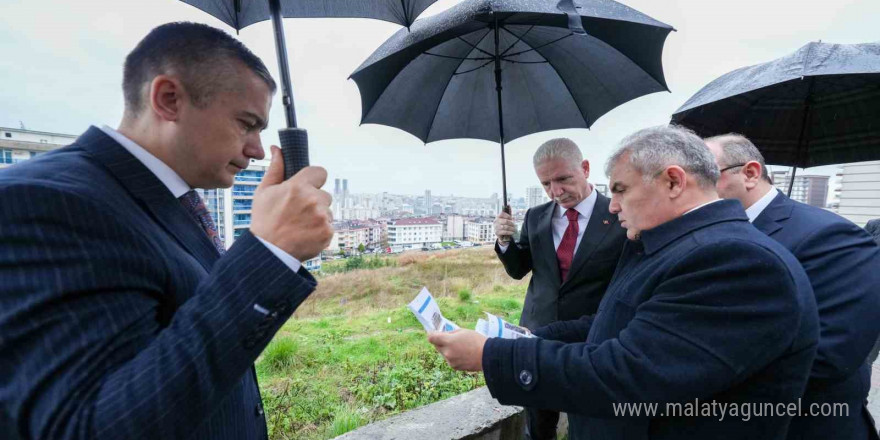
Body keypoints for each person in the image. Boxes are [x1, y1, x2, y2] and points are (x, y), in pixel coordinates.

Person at [0, 22, 333, 439]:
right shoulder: (42, 202)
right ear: (169, 99)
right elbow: (86, 427)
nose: (255, 150)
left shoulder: (167, 199)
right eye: (247, 123)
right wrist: (269, 252)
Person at [430, 125, 819, 440]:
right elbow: (614, 322)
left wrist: (491, 357)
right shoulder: (669, 246)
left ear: (672, 182)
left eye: (620, 190)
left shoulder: (734, 261)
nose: (613, 205)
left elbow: (630, 372)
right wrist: (528, 339)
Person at [704, 134, 880, 440]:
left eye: (706, 175)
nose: (693, 187)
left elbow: (830, 355)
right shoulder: (708, 235)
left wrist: (691, 366)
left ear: (750, 173)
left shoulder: (831, 236)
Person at [492, 138, 626, 439]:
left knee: (588, 423)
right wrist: (504, 242)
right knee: (538, 425)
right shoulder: (537, 216)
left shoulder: (619, 214)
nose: (556, 192)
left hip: (592, 337)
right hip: (538, 334)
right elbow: (518, 269)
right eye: (546, 184)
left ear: (586, 168)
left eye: (563, 179)